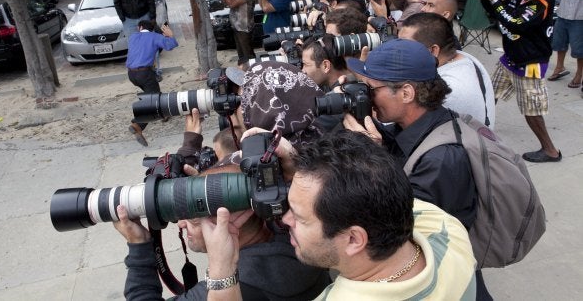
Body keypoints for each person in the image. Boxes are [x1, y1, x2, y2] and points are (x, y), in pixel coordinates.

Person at [201, 129, 477, 300]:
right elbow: (372, 184)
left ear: (354, 239)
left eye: (300, 217)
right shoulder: (446, 230)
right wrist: (301, 169)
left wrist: (222, 271)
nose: (285, 220)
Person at [344, 39, 493, 299]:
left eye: (371, 89)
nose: (365, 96)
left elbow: (402, 228)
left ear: (406, 93)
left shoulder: (442, 159)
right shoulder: (416, 126)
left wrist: (373, 157)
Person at [113, 164, 332, 300]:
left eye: (193, 219)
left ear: (227, 223)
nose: (180, 224)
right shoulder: (299, 241)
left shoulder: (221, 291)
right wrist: (201, 190)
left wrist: (139, 244)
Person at [477, 0, 562, 163]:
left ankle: (550, 151)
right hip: (510, 57)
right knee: (489, 93)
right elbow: (501, 13)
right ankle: (481, 130)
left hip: (530, 62)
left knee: (531, 111)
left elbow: (517, 22)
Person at [399, 12, 496, 128]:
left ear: (432, 51)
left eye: (404, 46)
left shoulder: (446, 89)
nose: (397, 50)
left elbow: (406, 127)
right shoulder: (465, 57)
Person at [127, 20, 178, 147]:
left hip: (131, 75)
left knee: (153, 94)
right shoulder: (155, 36)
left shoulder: (133, 37)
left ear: (140, 27)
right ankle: (137, 124)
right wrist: (169, 35)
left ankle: (163, 113)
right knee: (153, 101)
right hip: (145, 74)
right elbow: (171, 45)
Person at [546, 0, 582, 91]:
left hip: (579, 17)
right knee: (558, 43)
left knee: (579, 49)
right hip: (562, 14)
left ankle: (579, 74)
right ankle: (559, 67)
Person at [215, 0, 256, 65]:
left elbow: (231, 4)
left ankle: (253, 71)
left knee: (248, 55)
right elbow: (226, 2)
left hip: (244, 28)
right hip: (237, 26)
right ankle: (244, 71)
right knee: (242, 55)